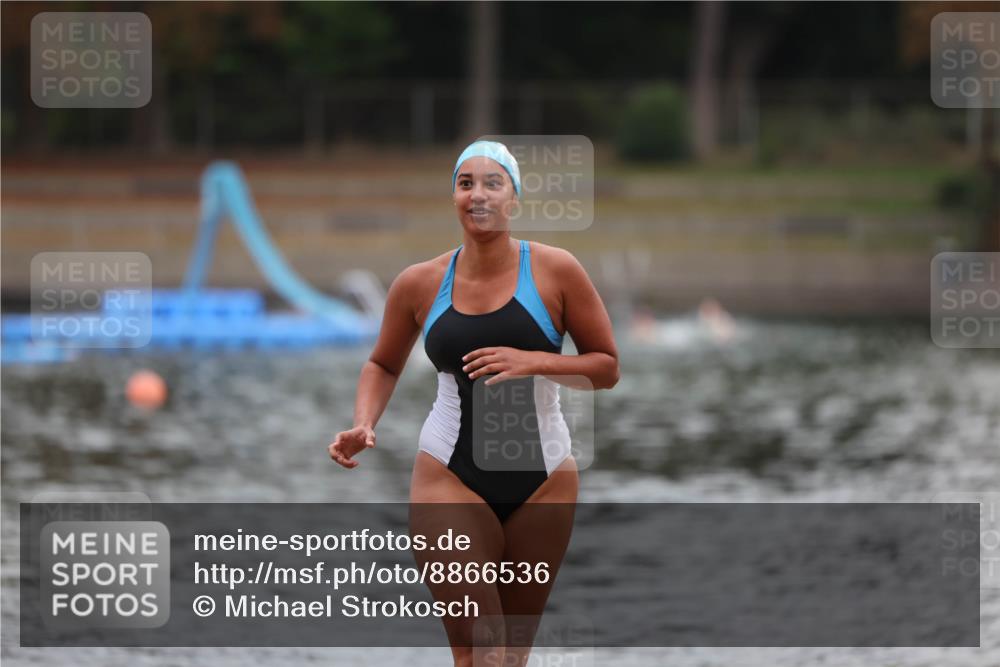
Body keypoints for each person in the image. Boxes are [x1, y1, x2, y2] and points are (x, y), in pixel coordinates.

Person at [328, 140, 619, 667]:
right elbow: (383, 364)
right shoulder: (419, 283)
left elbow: (606, 367)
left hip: (546, 477)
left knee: (512, 656)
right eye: (466, 184)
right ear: (454, 197)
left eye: (492, 183)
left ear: (514, 197)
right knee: (479, 652)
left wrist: (534, 361)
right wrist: (364, 423)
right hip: (449, 474)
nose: (478, 194)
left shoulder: (557, 271)